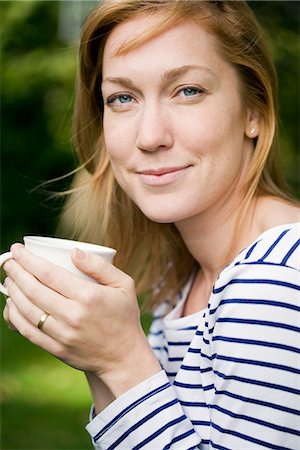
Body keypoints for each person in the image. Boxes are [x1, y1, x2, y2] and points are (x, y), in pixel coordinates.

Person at [3, 0, 300, 448]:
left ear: (254, 111)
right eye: (122, 98)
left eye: (187, 91)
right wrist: (97, 355)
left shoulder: (274, 283)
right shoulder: (183, 283)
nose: (149, 136)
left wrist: (122, 359)